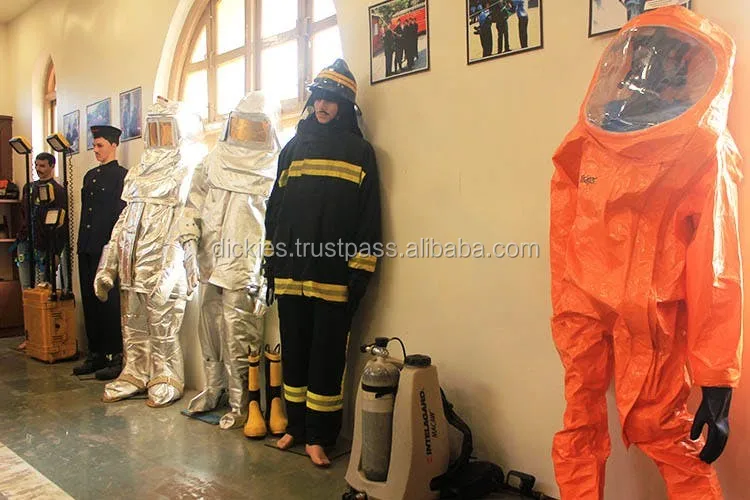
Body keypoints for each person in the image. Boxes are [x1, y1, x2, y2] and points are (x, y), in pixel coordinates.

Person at [550, 9, 740, 499]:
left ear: (687, 63)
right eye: (643, 53)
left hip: (650, 315)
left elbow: (715, 265)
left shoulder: (702, 146)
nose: (649, 66)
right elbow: (565, 224)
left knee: (664, 431)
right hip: (585, 303)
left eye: (667, 56)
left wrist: (716, 375)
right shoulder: (590, 135)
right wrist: (566, 306)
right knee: (579, 425)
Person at [265, 59, 381, 466]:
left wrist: (360, 270)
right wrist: (270, 261)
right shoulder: (292, 149)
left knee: (327, 357)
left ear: (344, 106)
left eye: (331, 100)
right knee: (295, 352)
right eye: (318, 98)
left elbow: (369, 217)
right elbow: (275, 209)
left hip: (332, 278)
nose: (322, 106)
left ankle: (320, 437)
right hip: (290, 274)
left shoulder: (360, 152)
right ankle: (296, 427)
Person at [179, 91, 286, 434]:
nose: (246, 133)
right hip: (210, 257)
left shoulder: (276, 164)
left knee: (239, 332)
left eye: (255, 127)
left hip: (245, 262)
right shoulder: (213, 160)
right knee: (209, 328)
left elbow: (279, 222)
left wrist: (269, 272)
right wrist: (189, 241)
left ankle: (243, 404)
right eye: (241, 125)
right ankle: (214, 390)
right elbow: (193, 203)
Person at [94, 100, 207, 407]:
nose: (158, 136)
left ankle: (167, 376)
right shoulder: (140, 170)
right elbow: (124, 220)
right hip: (132, 261)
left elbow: (187, 222)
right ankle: (135, 372)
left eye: (165, 129)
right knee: (132, 323)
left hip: (164, 262)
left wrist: (171, 272)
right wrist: (108, 266)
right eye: (153, 129)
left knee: (163, 324)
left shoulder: (189, 167)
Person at [73, 125, 127, 380]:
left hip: (106, 248)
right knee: (89, 300)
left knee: (109, 302)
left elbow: (120, 216)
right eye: (94, 145)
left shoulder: (122, 176)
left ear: (114, 145)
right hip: (87, 245)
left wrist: (114, 249)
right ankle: (96, 353)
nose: (95, 150)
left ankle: (115, 355)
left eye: (100, 145)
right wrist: (82, 244)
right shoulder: (90, 176)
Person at [15, 152, 69, 350]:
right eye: (36, 165)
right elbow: (23, 214)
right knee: (26, 289)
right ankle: (29, 334)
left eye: (43, 166)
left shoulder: (58, 191)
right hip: (25, 242)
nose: (39, 169)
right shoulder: (28, 188)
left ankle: (41, 335)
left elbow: (60, 223)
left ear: (52, 166)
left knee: (41, 288)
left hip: (44, 246)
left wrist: (55, 252)